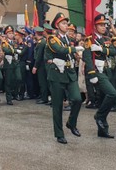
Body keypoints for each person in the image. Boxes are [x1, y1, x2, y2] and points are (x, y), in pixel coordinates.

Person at [46, 12, 84, 144]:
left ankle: (71, 123)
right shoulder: (52, 39)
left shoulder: (68, 39)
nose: (66, 26)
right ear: (57, 25)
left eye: (67, 23)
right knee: (57, 106)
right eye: (63, 23)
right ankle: (59, 134)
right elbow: (60, 50)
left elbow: (68, 52)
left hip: (69, 73)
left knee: (77, 99)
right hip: (57, 75)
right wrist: (74, 50)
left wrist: (76, 55)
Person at [83, 14, 116, 138]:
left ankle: (103, 129)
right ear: (95, 26)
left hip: (106, 70)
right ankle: (99, 116)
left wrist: (102, 50)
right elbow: (86, 56)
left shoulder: (105, 39)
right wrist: (91, 73)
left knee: (104, 98)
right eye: (101, 25)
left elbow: (114, 51)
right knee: (112, 94)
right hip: (97, 70)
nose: (103, 27)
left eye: (104, 25)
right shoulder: (89, 39)